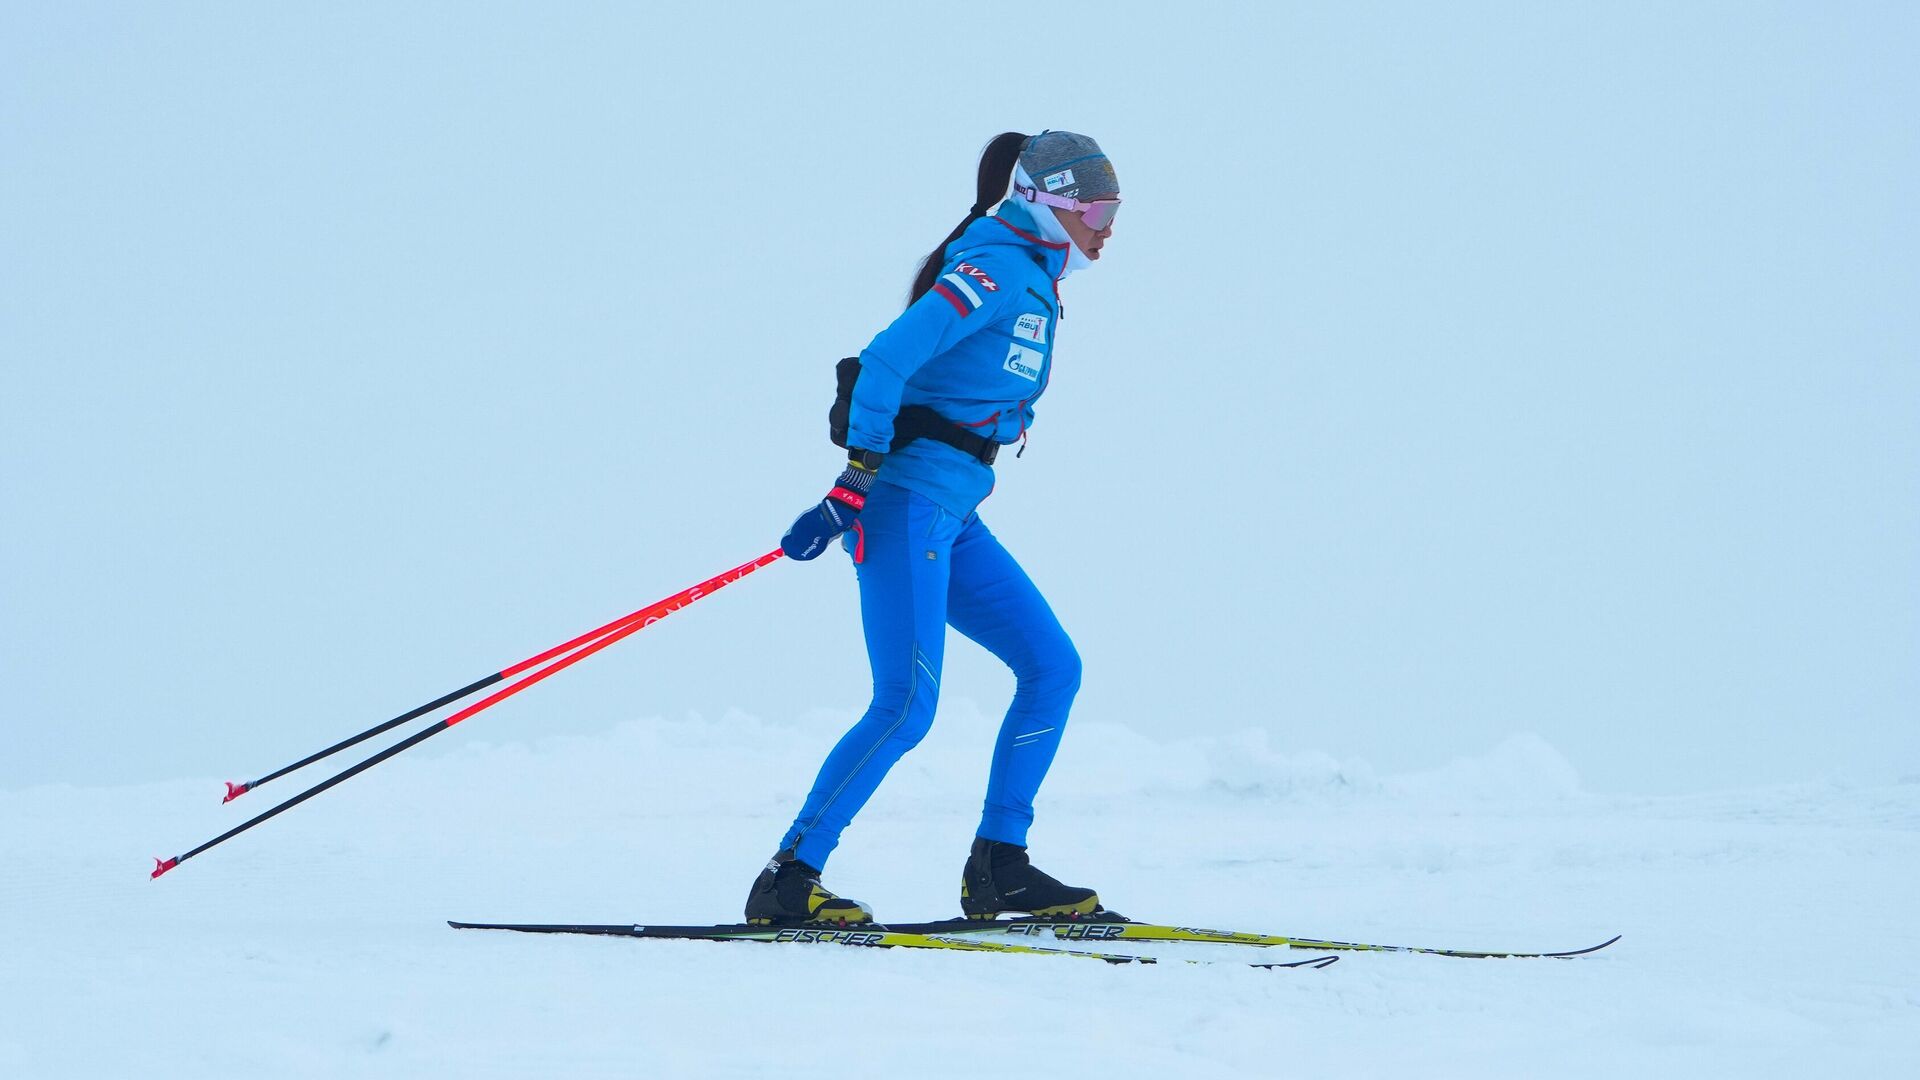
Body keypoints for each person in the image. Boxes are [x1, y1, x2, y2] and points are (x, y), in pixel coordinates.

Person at [747, 131, 1122, 926]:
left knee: (1053, 666)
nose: (1106, 224)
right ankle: (788, 879)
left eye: (1113, 209)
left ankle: (1000, 867)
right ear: (1043, 204)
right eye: (1093, 208)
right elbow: (883, 361)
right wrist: (856, 479)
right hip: (903, 501)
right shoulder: (991, 269)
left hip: (950, 512)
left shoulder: (1033, 277)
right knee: (906, 704)